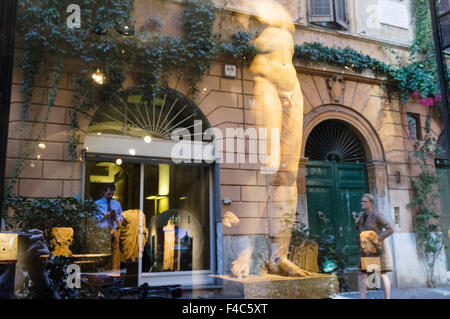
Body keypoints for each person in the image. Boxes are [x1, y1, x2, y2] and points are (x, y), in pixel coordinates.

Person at [355, 194, 394, 299]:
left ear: (371, 203)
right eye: (362, 201)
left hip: (377, 249)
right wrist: (357, 222)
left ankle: (387, 297)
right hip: (366, 249)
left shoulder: (377, 215)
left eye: (365, 202)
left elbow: (390, 229)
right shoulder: (361, 215)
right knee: (362, 273)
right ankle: (362, 297)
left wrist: (378, 238)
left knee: (381, 273)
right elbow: (361, 231)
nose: (362, 203)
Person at [95, 183, 123, 270]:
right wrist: (104, 216)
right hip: (102, 232)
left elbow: (121, 215)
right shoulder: (97, 204)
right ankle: (102, 272)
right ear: (104, 192)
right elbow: (93, 219)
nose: (111, 195)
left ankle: (115, 273)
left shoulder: (117, 204)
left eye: (112, 193)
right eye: (109, 194)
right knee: (102, 254)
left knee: (115, 253)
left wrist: (118, 219)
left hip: (114, 231)